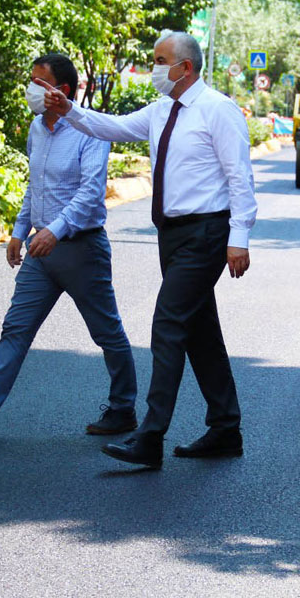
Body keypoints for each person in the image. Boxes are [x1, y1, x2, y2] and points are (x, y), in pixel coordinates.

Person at [43, 31, 257, 469]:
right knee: (199, 332)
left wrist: (240, 238)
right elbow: (115, 128)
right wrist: (69, 111)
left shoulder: (218, 110)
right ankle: (225, 428)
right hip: (172, 234)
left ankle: (151, 435)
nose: (156, 67)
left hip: (206, 233)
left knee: (168, 324)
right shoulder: (162, 111)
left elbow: (240, 177)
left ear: (186, 68)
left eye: (162, 61)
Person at [0, 54, 138, 438]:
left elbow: (91, 193)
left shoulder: (90, 130)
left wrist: (55, 231)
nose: (30, 89)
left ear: (61, 90)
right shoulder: (36, 127)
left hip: (81, 249)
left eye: (38, 82)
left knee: (106, 331)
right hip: (40, 250)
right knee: (16, 328)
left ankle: (123, 408)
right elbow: (36, 184)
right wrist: (19, 229)